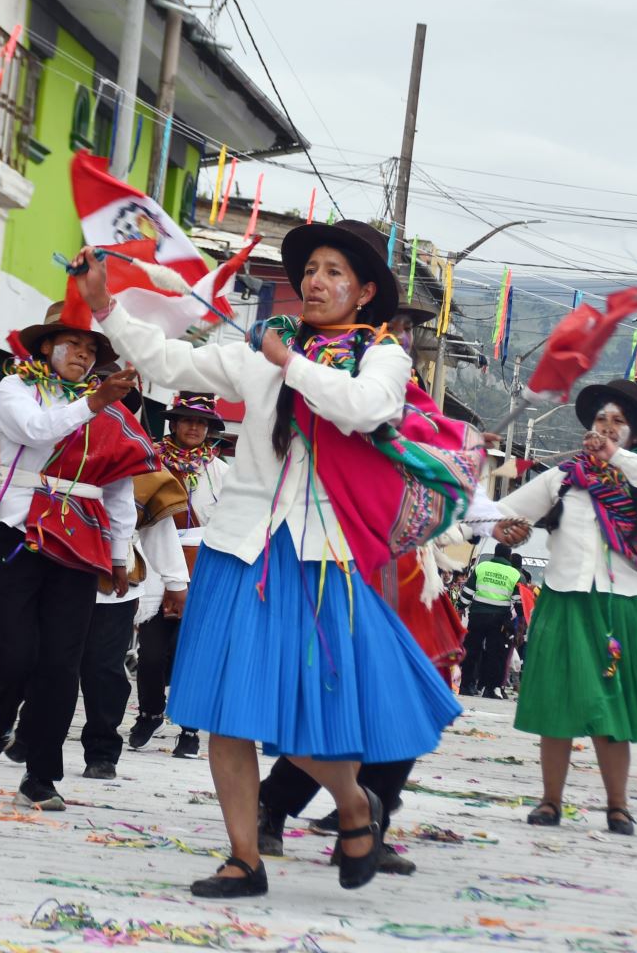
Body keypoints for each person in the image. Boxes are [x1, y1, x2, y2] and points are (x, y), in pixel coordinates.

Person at [79, 220, 469, 896]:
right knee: (225, 710)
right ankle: (243, 858)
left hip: (320, 560)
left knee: (301, 709)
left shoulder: (381, 357)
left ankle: (354, 806)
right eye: (310, 270)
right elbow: (171, 361)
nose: (316, 282)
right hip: (237, 551)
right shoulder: (261, 353)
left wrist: (290, 363)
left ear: (365, 291)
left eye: (334, 273)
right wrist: (106, 305)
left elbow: (365, 409)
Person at [493, 380, 637, 835]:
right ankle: (550, 802)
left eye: (618, 422)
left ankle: (617, 806)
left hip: (620, 606)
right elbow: (498, 512)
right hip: (565, 602)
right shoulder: (562, 479)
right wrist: (503, 529)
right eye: (601, 420)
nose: (606, 428)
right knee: (556, 709)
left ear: (634, 435)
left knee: (611, 713)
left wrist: (616, 456)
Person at [0, 300, 147, 814]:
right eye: (74, 345)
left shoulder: (111, 413)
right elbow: (37, 431)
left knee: (62, 664)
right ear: (46, 347)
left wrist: (119, 552)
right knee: (15, 654)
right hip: (14, 531)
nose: (83, 356)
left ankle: (41, 777)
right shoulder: (15, 388)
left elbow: (120, 488)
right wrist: (95, 403)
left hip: (80, 542)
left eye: (91, 350)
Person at [130, 392, 229, 758]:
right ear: (173, 423)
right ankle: (150, 713)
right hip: (157, 563)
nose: (194, 427)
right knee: (152, 652)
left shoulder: (219, 471)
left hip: (203, 567)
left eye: (201, 422)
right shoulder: (150, 461)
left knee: (192, 653)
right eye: (187, 420)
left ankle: (189, 728)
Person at [77, 470, 191, 779]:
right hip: (59, 570)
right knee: (50, 660)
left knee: (104, 668)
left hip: (116, 583)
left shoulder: (139, 462)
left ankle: (102, 751)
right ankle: (32, 731)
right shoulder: (54, 442)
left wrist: (176, 580)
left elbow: (158, 527)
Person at [460, 542, 524, 698]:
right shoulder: (515, 574)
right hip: (499, 620)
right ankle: (489, 689)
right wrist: (520, 620)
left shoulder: (481, 567)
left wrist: (461, 606)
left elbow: (467, 591)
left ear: (495, 554)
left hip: (477, 616)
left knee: (472, 650)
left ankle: (466, 685)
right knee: (495, 654)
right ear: (509, 556)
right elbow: (518, 601)